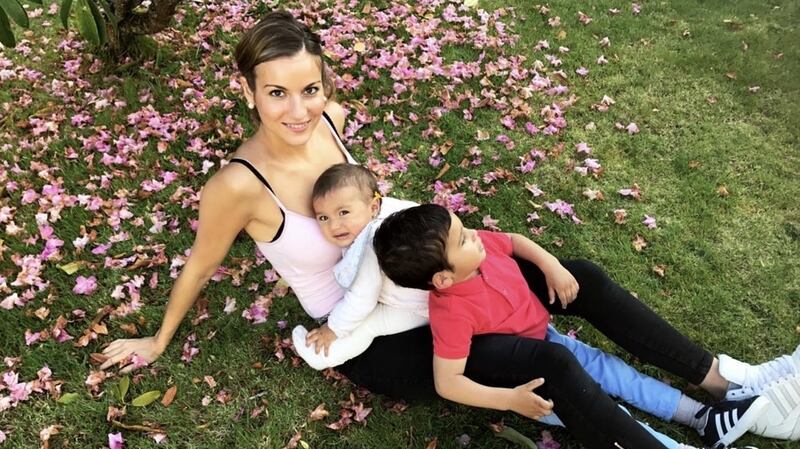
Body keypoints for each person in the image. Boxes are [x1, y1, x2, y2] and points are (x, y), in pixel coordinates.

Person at [95, 11, 799, 449]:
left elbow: (369, 208)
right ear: (248, 91)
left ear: (326, 85)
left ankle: (724, 382)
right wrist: (157, 338)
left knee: (579, 274)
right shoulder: (237, 185)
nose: (298, 109)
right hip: (373, 335)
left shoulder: (330, 124)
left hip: (420, 279)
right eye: (276, 92)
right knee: (548, 360)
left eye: (310, 88)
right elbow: (198, 264)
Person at [293, 165, 769, 449]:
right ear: (441, 277)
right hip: (524, 377)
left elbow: (515, 241)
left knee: (615, 376)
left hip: (547, 337)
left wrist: (554, 266)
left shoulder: (484, 252)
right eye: (463, 237)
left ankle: (701, 416)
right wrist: (511, 400)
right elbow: (443, 375)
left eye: (464, 230)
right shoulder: (449, 309)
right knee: (596, 403)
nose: (475, 234)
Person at [291, 163, 427, 369]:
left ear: (373, 207)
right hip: (433, 290)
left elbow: (362, 298)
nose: (334, 226)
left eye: (343, 212)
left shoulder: (371, 244)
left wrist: (333, 328)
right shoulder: (396, 210)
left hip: (419, 308)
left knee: (370, 325)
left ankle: (323, 357)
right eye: (323, 218)